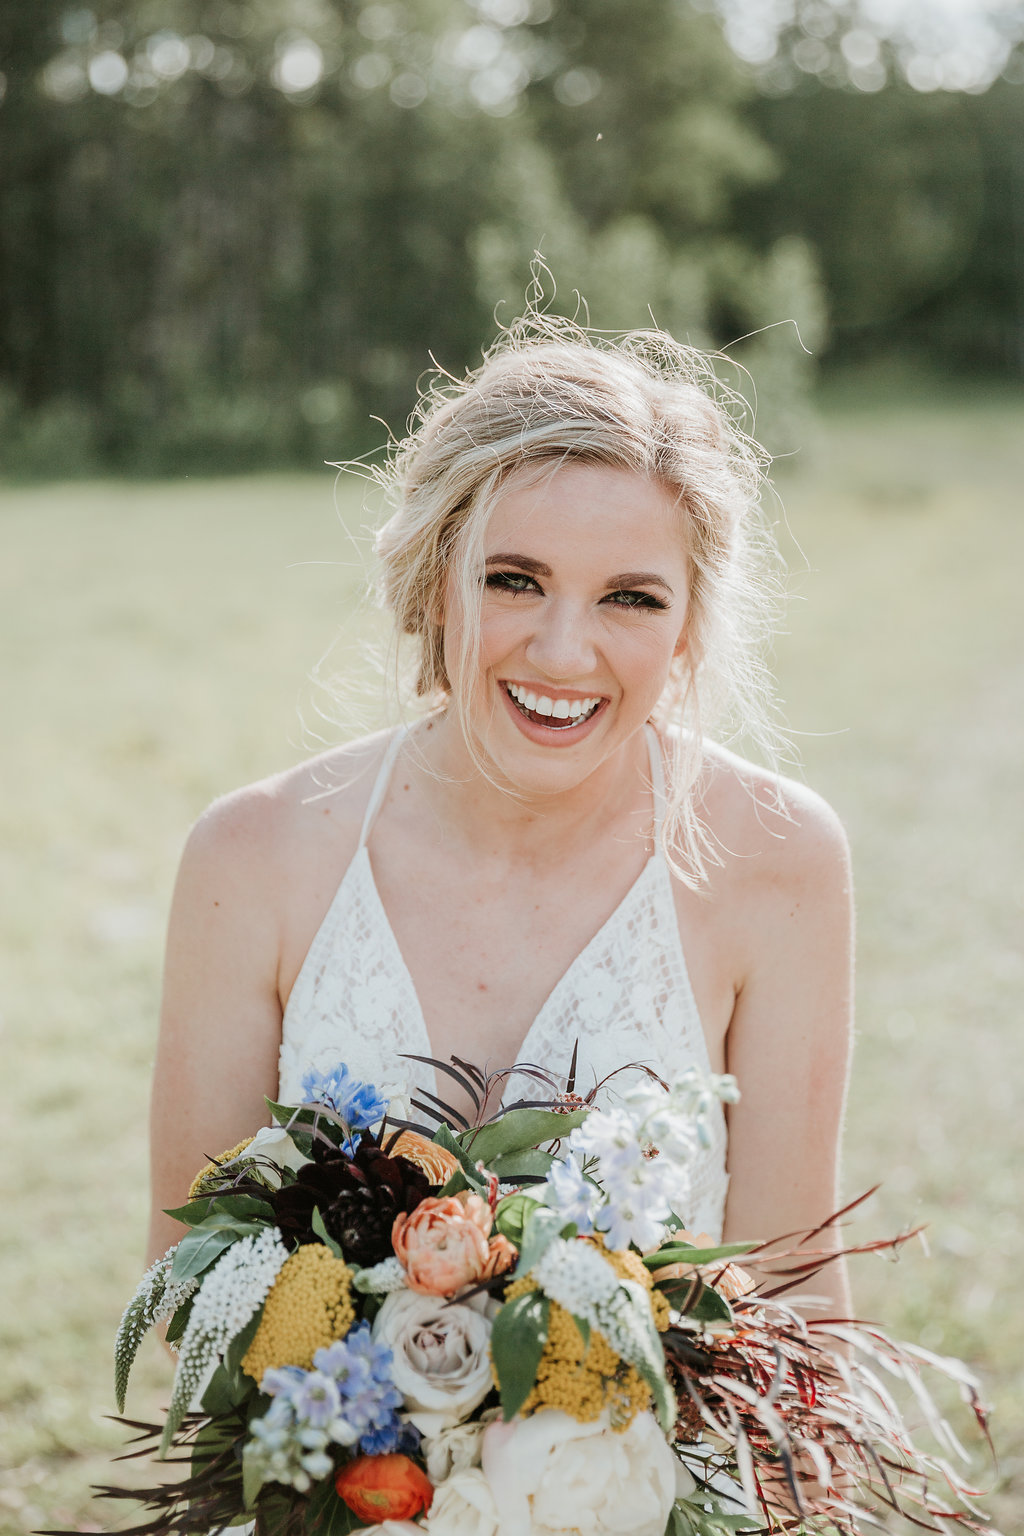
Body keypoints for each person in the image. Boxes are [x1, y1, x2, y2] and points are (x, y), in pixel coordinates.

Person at [147, 315, 853, 1319]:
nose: (564, 654)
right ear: (435, 582)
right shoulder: (249, 858)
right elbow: (183, 1297)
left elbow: (799, 1306)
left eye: (631, 599)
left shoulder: (779, 857)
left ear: (689, 626)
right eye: (513, 580)